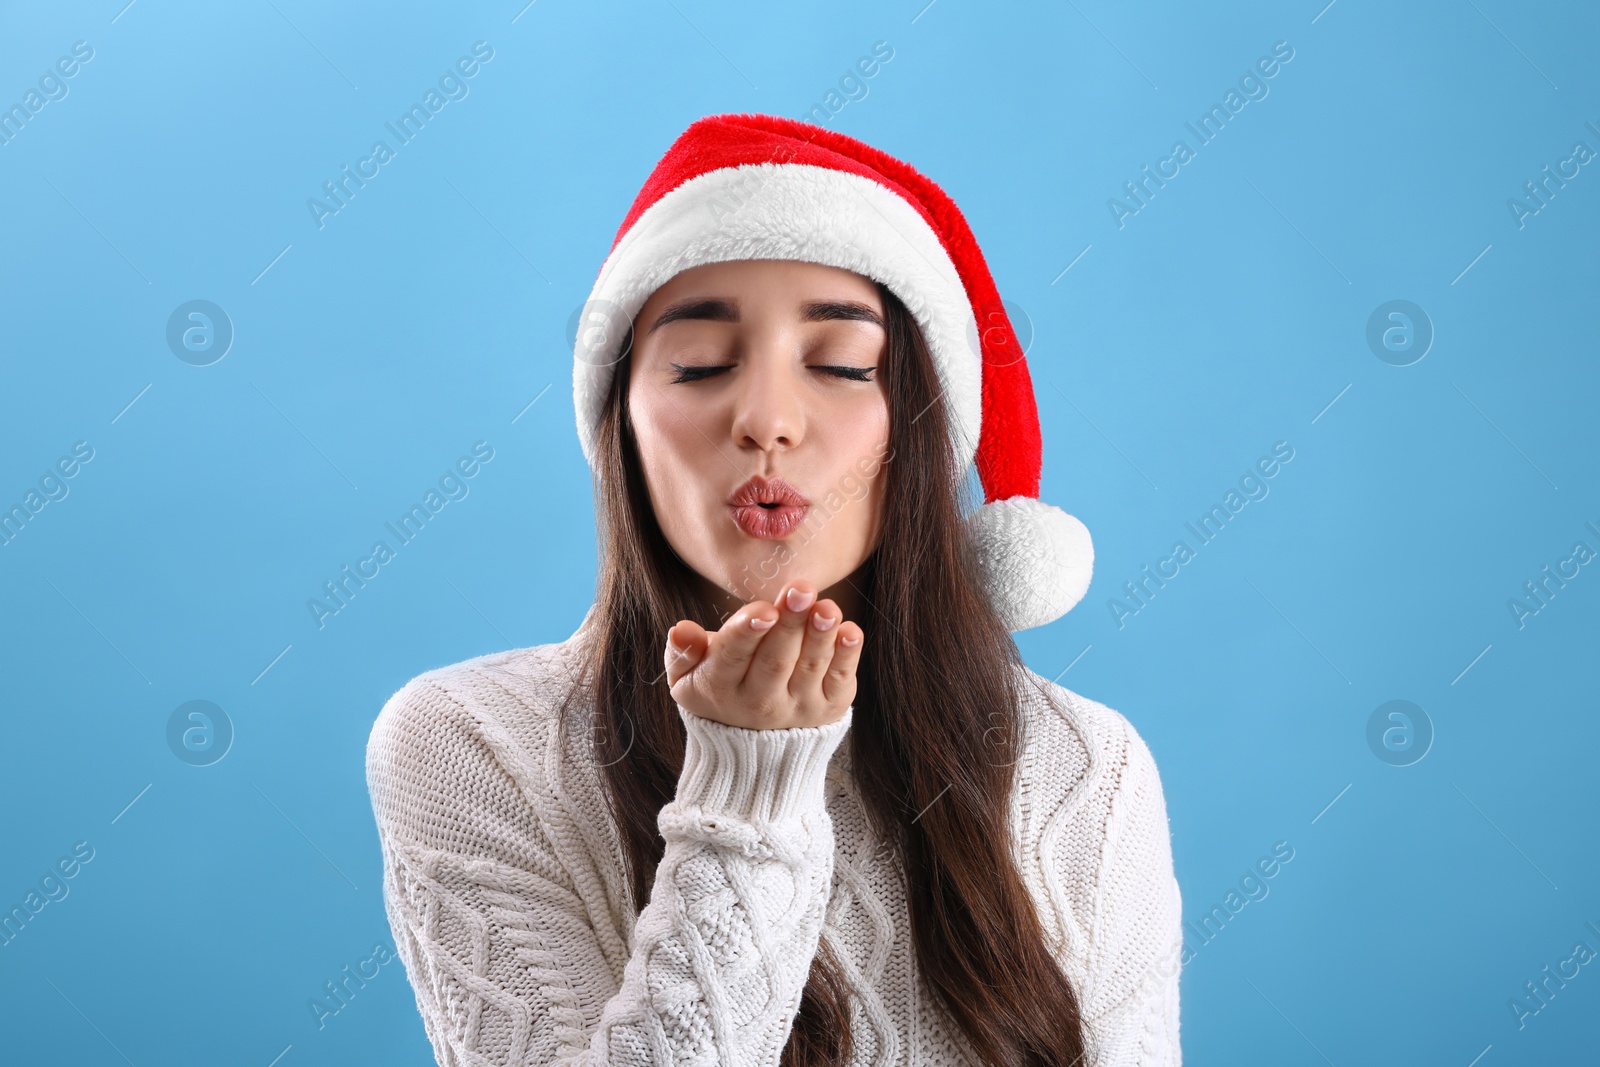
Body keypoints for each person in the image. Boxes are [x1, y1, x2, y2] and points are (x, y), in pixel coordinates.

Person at [366, 112, 1183, 1066]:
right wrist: (751, 787)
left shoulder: (1084, 767)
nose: (765, 420)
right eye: (700, 365)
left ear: (917, 421)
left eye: (840, 365)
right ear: (620, 419)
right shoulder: (468, 746)